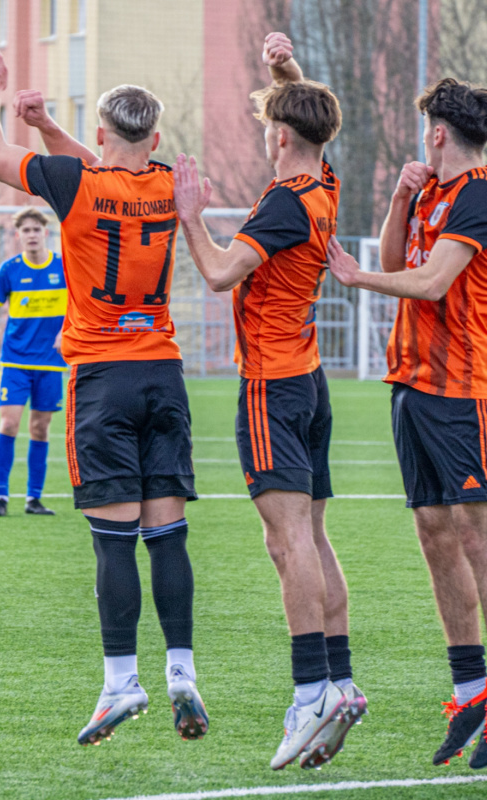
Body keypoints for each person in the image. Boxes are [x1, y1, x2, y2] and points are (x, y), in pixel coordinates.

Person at [0, 40, 208, 745]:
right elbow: (109, 159)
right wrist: (45, 126)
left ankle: (119, 683)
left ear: (101, 135)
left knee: (112, 543)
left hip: (101, 379)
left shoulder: (77, 182)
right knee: (167, 538)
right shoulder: (168, 181)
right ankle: (183, 673)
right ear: (154, 139)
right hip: (163, 370)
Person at [173, 32, 367, 770]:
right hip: (309, 383)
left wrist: (192, 214)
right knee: (310, 539)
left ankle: (311, 690)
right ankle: (340, 681)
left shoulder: (285, 203)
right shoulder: (325, 182)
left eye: (267, 126)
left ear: (280, 135)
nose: (265, 135)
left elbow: (221, 274)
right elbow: (312, 115)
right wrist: (283, 70)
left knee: (287, 544)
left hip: (273, 386)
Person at [327, 77, 487, 770]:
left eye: (426, 127)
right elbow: (400, 259)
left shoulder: (479, 192)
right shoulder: (429, 192)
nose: (424, 138)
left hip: (463, 389)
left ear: (440, 132)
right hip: (412, 385)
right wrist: (397, 198)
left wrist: (357, 280)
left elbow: (428, 282)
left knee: (478, 536)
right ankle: (471, 692)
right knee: (433, 532)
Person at [0, 207, 66, 517]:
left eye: (37, 229)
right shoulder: (9, 270)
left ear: (45, 233)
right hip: (15, 362)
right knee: (9, 423)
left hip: (50, 364)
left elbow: (82, 305)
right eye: (26, 230)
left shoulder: (65, 268)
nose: (32, 235)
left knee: (40, 428)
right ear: (18, 236)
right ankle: (0, 497)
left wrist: (66, 332)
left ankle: (33, 498)